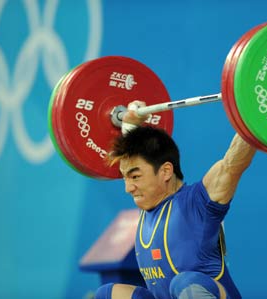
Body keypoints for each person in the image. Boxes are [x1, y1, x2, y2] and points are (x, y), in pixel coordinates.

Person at [95, 101, 256, 299]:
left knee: (185, 283)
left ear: (165, 172)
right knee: (108, 294)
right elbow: (138, 158)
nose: (128, 188)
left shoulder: (197, 204)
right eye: (125, 177)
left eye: (135, 177)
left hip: (208, 293)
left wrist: (256, 113)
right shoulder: (150, 203)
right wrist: (131, 124)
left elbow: (232, 164)